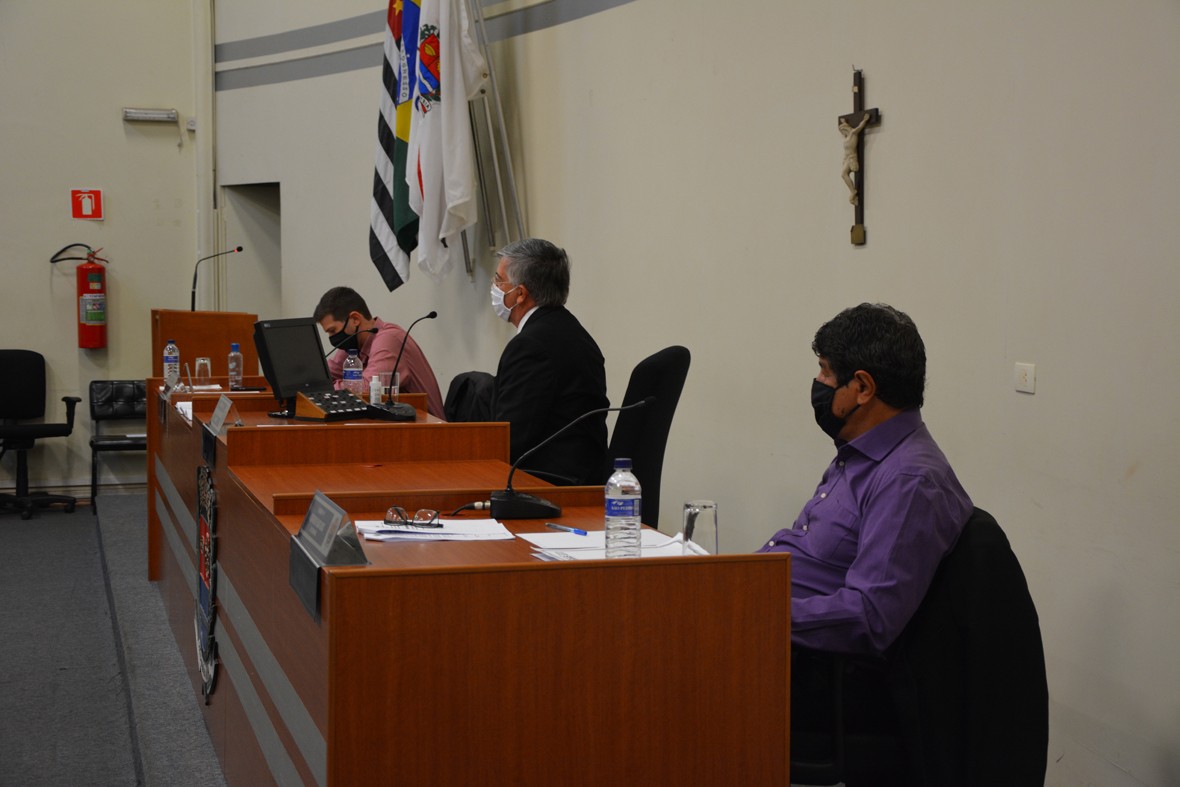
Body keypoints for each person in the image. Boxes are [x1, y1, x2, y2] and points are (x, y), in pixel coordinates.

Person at [760, 302, 973, 656]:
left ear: (862, 387)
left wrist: (754, 612)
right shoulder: (859, 452)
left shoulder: (908, 481)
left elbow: (869, 617)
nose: (818, 383)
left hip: (796, 655)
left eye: (826, 372)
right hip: (763, 612)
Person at [489, 238, 608, 485]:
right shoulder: (570, 329)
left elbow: (509, 439)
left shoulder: (531, 346)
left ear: (520, 294)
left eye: (499, 281)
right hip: (582, 471)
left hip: (551, 483)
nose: (494, 287)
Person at [313, 286, 445, 419]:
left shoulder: (389, 339)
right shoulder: (354, 344)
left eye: (333, 331)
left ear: (355, 319)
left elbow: (367, 389)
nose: (332, 338)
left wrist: (322, 390)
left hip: (427, 428)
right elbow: (322, 376)